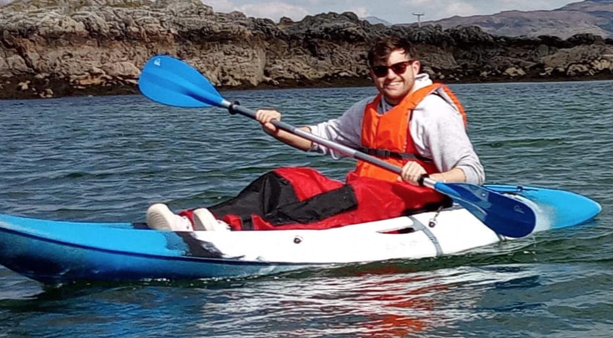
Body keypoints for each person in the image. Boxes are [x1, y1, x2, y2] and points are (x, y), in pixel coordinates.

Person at [145, 35, 485, 232]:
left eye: (398, 68)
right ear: (373, 74)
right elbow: (317, 139)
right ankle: (190, 221)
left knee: (332, 202)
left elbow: (472, 172)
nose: (390, 76)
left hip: (409, 199)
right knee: (283, 180)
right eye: (382, 71)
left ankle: (233, 230)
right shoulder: (369, 108)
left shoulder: (434, 111)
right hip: (363, 189)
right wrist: (276, 128)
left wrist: (432, 174)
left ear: (414, 68)